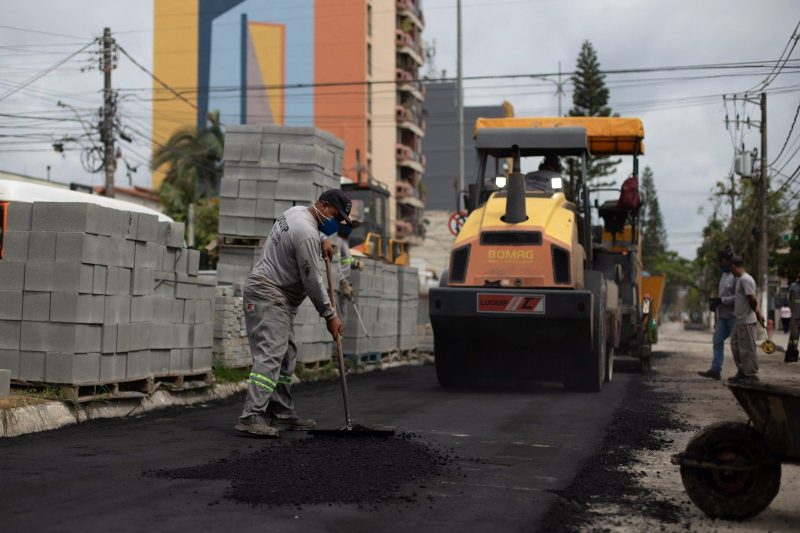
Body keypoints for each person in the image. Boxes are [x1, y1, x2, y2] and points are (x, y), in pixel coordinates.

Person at [235, 189, 352, 437]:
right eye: (336, 216)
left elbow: (309, 230)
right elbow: (311, 280)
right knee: (271, 354)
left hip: (278, 296)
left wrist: (323, 238)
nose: (337, 223)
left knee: (286, 356)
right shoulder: (306, 234)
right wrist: (330, 315)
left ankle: (282, 414)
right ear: (323, 205)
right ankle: (252, 415)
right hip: (268, 293)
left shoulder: (298, 212)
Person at [698, 249, 737, 380]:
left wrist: (722, 300)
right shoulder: (724, 276)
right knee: (717, 340)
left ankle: (743, 371)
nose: (719, 264)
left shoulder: (736, 276)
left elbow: (739, 298)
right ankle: (715, 370)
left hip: (734, 316)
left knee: (736, 344)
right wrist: (716, 303)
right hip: (723, 316)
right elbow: (724, 296)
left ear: (728, 260)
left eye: (721, 261)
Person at [728, 255, 765, 383]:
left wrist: (758, 314)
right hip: (739, 321)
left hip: (747, 320)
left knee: (747, 348)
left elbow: (753, 299)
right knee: (735, 345)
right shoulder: (740, 280)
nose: (729, 271)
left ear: (733, 266)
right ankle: (742, 371)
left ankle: (751, 375)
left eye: (730, 268)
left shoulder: (745, 279)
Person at [787, 274, 800, 362]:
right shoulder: (793, 286)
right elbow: (789, 300)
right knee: (793, 337)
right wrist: (792, 310)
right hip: (795, 316)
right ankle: (791, 355)